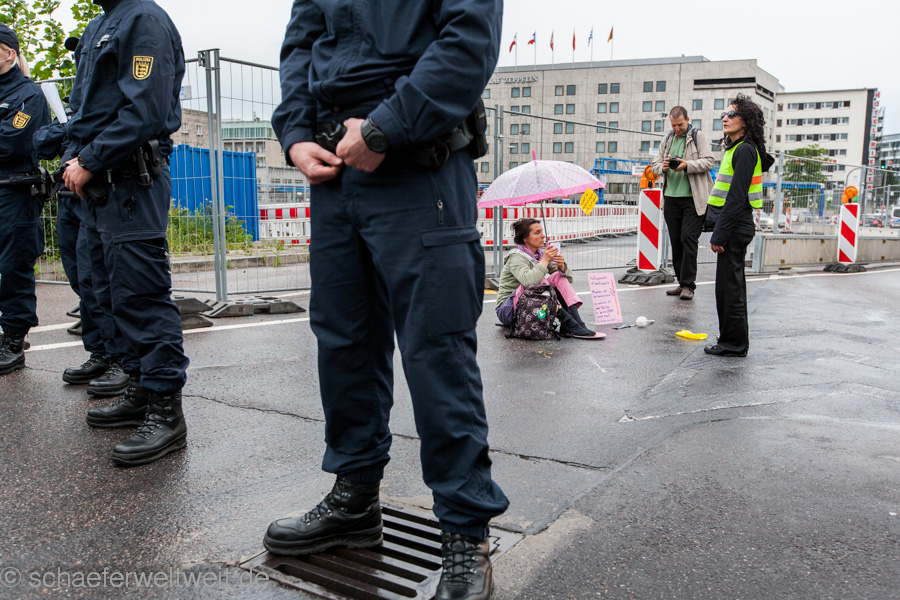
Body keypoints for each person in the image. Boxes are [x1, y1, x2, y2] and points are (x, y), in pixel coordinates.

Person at [264, 2, 508, 598]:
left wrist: (385, 127)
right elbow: (301, 47)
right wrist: (295, 135)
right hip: (337, 169)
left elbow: (469, 38)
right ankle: (355, 497)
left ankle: (464, 528)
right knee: (344, 341)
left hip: (418, 160)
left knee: (437, 347)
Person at [60, 0, 189, 466]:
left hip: (132, 179)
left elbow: (146, 109)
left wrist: (90, 159)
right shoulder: (101, 23)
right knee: (109, 293)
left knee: (141, 295)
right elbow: (86, 109)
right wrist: (75, 158)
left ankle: (166, 411)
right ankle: (139, 387)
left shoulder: (143, 19)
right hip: (101, 185)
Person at [32, 40, 131, 397]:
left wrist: (73, 129)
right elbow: (42, 142)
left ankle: (119, 357)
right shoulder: (76, 103)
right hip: (68, 197)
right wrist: (69, 127)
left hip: (96, 194)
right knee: (80, 279)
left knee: (98, 278)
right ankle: (99, 351)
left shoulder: (108, 98)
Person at [0, 25, 50, 375]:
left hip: (13, 192)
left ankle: (13, 340)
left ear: (8, 53)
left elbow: (11, 143)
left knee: (13, 267)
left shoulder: (28, 94)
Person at [705, 94, 771, 357]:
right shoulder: (736, 149)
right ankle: (731, 339)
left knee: (730, 289)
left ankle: (733, 344)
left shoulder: (744, 150)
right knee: (728, 287)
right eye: (724, 114)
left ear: (746, 121)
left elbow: (736, 197)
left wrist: (719, 234)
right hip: (733, 225)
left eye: (732, 114)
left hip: (734, 226)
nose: (725, 118)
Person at [495, 218, 604, 339]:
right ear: (525, 238)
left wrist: (561, 266)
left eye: (542, 232)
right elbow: (528, 281)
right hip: (508, 310)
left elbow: (569, 279)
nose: (543, 236)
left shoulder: (539, 254)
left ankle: (576, 322)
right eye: (537, 233)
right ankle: (568, 321)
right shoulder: (516, 257)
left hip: (529, 305)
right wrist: (545, 261)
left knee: (558, 276)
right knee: (540, 282)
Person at [651, 106, 715, 301]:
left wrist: (687, 165)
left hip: (693, 199)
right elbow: (654, 166)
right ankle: (681, 283)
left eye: (680, 125)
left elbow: (709, 162)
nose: (677, 128)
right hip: (671, 198)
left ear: (688, 120)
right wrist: (662, 167)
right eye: (673, 125)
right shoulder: (668, 139)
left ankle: (689, 285)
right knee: (676, 242)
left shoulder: (697, 137)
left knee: (688, 239)